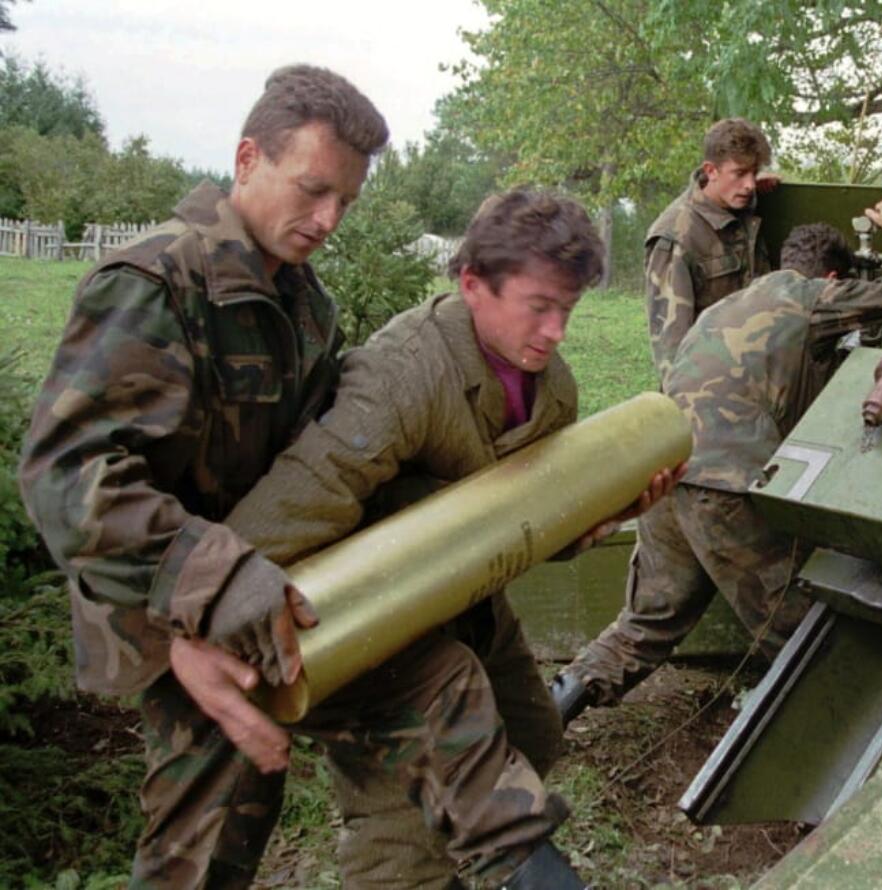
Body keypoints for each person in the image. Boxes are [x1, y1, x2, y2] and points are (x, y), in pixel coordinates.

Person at [17, 67, 615, 890]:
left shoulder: (303, 304)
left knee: (443, 692)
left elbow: (329, 471)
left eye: (347, 201)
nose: (329, 218)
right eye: (312, 189)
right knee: (207, 855)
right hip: (181, 618)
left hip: (281, 597)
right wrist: (188, 626)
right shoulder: (160, 282)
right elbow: (67, 478)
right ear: (246, 158)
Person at [219, 188, 679, 888]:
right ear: (472, 286)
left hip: (460, 600)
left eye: (569, 310)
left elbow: (530, 525)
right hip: (348, 616)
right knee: (403, 820)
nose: (556, 331)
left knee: (530, 732)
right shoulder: (404, 374)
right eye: (539, 306)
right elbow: (284, 514)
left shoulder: (551, 390)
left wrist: (597, 520)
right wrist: (221, 612)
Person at [550, 200, 882, 725]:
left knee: (644, 625)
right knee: (800, 630)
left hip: (665, 471)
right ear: (830, 276)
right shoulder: (807, 298)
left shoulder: (729, 305)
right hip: (724, 485)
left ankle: (550, 715)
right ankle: (860, 750)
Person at [645, 117, 775, 383]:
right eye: (739, 173)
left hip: (750, 379)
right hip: (707, 390)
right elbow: (671, 351)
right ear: (711, 170)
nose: (749, 184)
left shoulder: (742, 211)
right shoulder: (676, 236)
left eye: (754, 173)